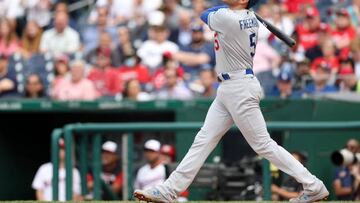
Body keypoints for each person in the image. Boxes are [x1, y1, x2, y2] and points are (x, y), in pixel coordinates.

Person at [134, 1, 329, 203]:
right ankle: (170, 190)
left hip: (239, 86)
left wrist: (229, 8)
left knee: (263, 145)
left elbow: (205, 13)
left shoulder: (228, 17)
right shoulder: (246, 18)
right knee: (204, 140)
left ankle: (313, 185)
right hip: (229, 87)